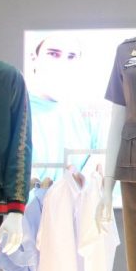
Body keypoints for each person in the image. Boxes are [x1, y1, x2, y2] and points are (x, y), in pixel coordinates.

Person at [27, 34, 99, 181]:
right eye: (53, 54)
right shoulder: (16, 111)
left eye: (71, 56)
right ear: (34, 58)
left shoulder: (88, 115)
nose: (63, 63)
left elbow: (101, 167)